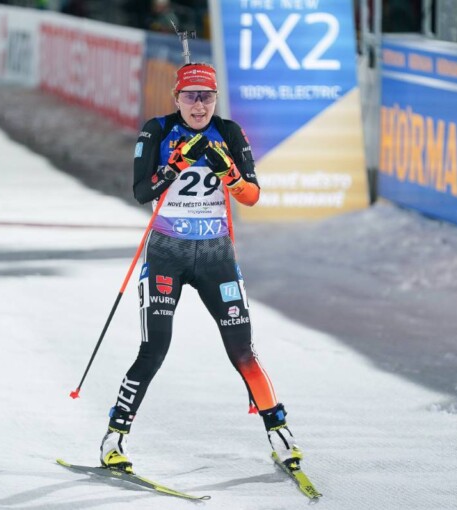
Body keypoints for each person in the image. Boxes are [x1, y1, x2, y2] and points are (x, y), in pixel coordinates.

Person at [99, 62, 303, 473]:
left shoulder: (229, 131)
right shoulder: (156, 130)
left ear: (215, 99)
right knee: (154, 349)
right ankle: (114, 437)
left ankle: (279, 433)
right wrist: (174, 165)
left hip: (215, 256)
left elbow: (251, 196)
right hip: (167, 253)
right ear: (176, 98)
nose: (198, 106)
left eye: (206, 97)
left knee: (242, 350)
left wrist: (229, 172)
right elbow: (141, 192)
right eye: (190, 97)